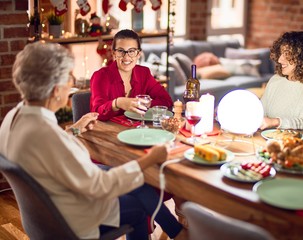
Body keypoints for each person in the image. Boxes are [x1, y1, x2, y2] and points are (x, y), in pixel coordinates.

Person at [0, 41, 187, 240]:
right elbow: (102, 185)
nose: (72, 81)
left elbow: (47, 150)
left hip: (54, 206)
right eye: (69, 77)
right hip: (75, 219)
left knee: (139, 185)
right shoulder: (48, 135)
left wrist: (74, 129)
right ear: (56, 90)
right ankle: (180, 234)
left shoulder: (15, 116)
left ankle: (177, 233)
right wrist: (151, 158)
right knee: (139, 207)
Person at [90, 29, 173, 121]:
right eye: (121, 51)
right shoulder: (100, 76)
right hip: (108, 132)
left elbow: (166, 101)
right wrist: (117, 103)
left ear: (138, 54)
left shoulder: (144, 73)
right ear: (114, 53)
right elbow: (96, 113)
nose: (126, 57)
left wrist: (146, 103)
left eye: (132, 51)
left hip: (137, 130)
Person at [260, 31, 303, 130]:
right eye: (281, 53)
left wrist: (275, 122)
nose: (279, 60)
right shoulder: (275, 79)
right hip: (270, 138)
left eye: (286, 54)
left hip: (301, 141)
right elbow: (261, 111)